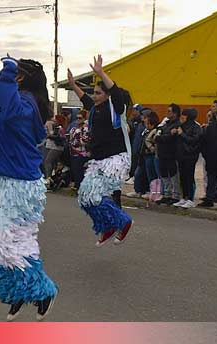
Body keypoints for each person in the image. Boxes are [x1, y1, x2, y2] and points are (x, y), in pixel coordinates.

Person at [0, 57, 57, 321]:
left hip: (17, 183)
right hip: (2, 181)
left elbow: (8, 109)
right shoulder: (10, 101)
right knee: (15, 241)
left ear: (18, 79)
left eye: (8, 75)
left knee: (5, 240)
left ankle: (42, 290)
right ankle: (18, 291)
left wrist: (8, 71)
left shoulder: (25, 104)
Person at [67, 55, 134, 247]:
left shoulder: (116, 108)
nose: (94, 96)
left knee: (96, 196)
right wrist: (73, 84)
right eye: (94, 93)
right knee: (84, 197)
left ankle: (123, 221)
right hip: (98, 160)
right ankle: (107, 227)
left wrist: (101, 72)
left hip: (115, 159)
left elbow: (115, 91)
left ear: (106, 95)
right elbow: (84, 98)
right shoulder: (95, 108)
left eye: (98, 93)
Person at [173, 108, 202, 208]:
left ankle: (190, 198)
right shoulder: (181, 126)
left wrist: (182, 134)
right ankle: (184, 197)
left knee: (189, 177)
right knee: (183, 177)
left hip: (190, 155)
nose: (182, 117)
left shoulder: (195, 127)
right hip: (181, 155)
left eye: (184, 115)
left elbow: (194, 140)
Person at [68, 110, 91, 189]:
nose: (77, 120)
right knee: (74, 170)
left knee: (78, 171)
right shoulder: (74, 128)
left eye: (80, 118)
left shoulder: (85, 128)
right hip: (73, 152)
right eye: (77, 118)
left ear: (84, 118)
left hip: (82, 153)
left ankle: (80, 187)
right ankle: (77, 185)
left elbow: (86, 140)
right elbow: (70, 138)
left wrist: (77, 139)